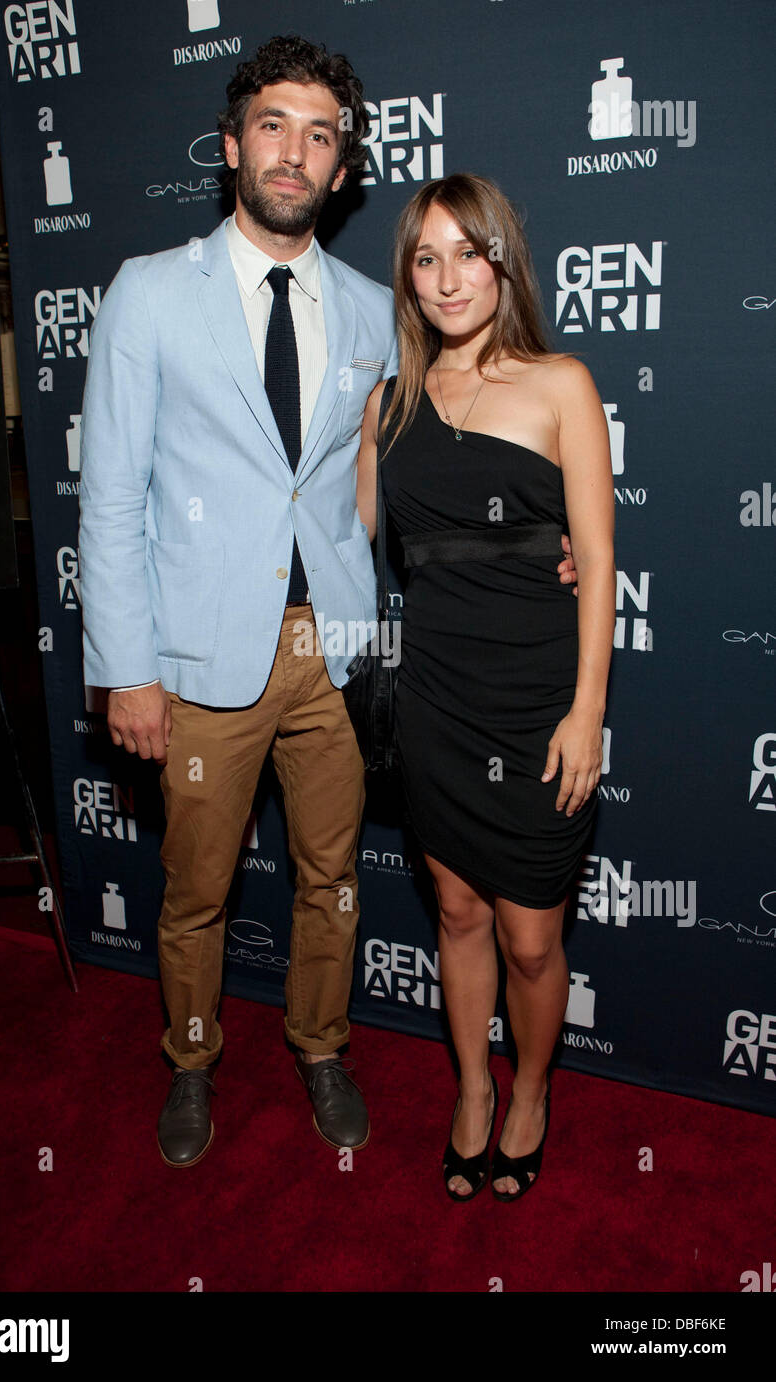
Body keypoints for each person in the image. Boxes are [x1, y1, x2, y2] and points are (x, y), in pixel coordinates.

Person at [78, 36, 580, 1170]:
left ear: (345, 167)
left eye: (319, 133)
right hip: (196, 655)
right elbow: (108, 494)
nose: (294, 151)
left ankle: (319, 1043)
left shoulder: (376, 312)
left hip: (341, 649)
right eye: (273, 125)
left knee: (332, 875)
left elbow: (430, 468)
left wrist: (554, 557)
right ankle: (193, 1059)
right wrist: (125, 666)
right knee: (195, 887)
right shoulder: (152, 293)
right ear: (230, 145)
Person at [357, 173, 615, 1202]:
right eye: (426, 257)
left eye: (467, 251)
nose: (447, 276)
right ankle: (472, 1087)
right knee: (457, 912)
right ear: (407, 279)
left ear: (502, 260)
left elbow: (595, 560)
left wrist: (587, 709)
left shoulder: (561, 385)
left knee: (529, 931)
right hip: (435, 698)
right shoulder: (392, 401)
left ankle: (533, 1088)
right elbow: (341, 541)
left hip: (537, 697)